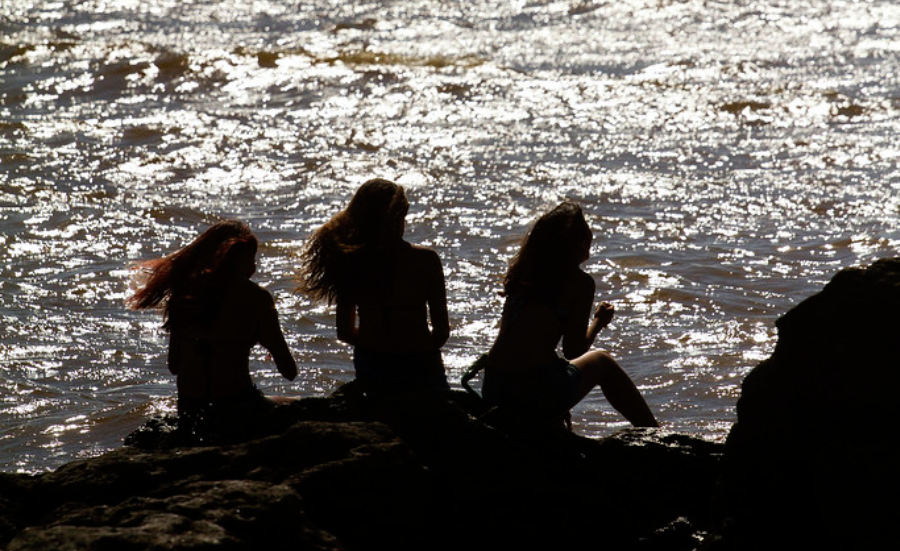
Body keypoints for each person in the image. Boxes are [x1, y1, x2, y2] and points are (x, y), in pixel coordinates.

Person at [482, 201, 659, 429]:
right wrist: (598, 322)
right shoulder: (580, 283)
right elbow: (573, 350)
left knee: (554, 373)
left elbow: (527, 341)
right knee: (603, 362)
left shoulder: (523, 274)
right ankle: (652, 431)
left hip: (495, 385)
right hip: (531, 390)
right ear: (580, 243)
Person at [128, 220, 298, 433]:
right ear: (240, 256)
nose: (254, 268)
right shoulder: (257, 297)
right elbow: (289, 371)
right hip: (236, 407)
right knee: (300, 406)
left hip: (190, 410)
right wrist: (265, 341)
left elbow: (174, 365)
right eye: (252, 259)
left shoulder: (184, 294)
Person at [298, 178, 450, 391]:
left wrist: (380, 344)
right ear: (399, 217)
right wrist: (416, 350)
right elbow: (442, 331)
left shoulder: (352, 261)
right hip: (420, 363)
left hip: (373, 365)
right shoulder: (426, 260)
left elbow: (345, 332)